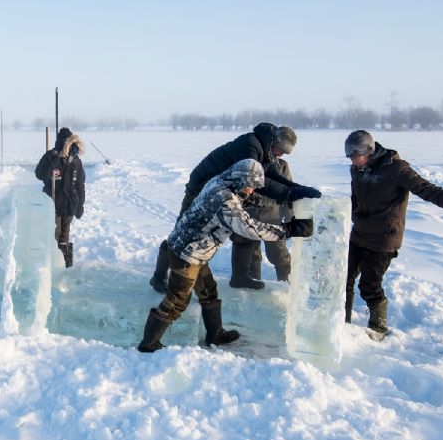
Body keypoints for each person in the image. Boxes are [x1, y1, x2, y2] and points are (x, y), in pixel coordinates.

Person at [137, 159, 315, 353]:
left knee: (208, 291)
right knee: (177, 301)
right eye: (249, 187)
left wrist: (284, 196)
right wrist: (288, 229)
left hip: (193, 249)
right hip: (187, 254)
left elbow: (240, 200)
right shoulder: (223, 199)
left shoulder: (222, 180)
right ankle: (149, 344)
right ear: (239, 181)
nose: (251, 191)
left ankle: (215, 334)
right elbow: (248, 227)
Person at [148, 123, 321, 293]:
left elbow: (273, 175)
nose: (281, 155)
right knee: (181, 233)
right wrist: (289, 195)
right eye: (280, 150)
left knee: (230, 230)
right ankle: (159, 277)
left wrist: (298, 189)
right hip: (200, 190)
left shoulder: (266, 151)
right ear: (274, 142)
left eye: (284, 153)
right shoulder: (250, 146)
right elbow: (259, 182)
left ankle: (238, 276)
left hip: (221, 191)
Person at [344, 130, 443, 341]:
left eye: (356, 156)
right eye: (350, 157)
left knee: (369, 285)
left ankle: (378, 330)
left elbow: (426, 189)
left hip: (384, 238)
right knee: (345, 279)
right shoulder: (357, 170)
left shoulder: (396, 168)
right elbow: (356, 199)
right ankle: (342, 323)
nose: (353, 161)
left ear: (369, 152)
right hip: (360, 233)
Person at [229, 154, 296, 289]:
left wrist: (290, 217)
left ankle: (287, 285)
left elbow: (287, 192)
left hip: (272, 216)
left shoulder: (281, 165)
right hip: (248, 214)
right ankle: (253, 283)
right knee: (251, 254)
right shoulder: (248, 163)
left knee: (279, 254)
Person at [35, 127, 86, 268]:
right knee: (55, 234)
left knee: (65, 235)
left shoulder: (76, 161)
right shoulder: (51, 157)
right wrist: (52, 161)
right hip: (54, 203)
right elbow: (39, 174)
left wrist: (81, 204)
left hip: (70, 205)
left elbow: (80, 185)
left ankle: (66, 266)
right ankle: (52, 265)